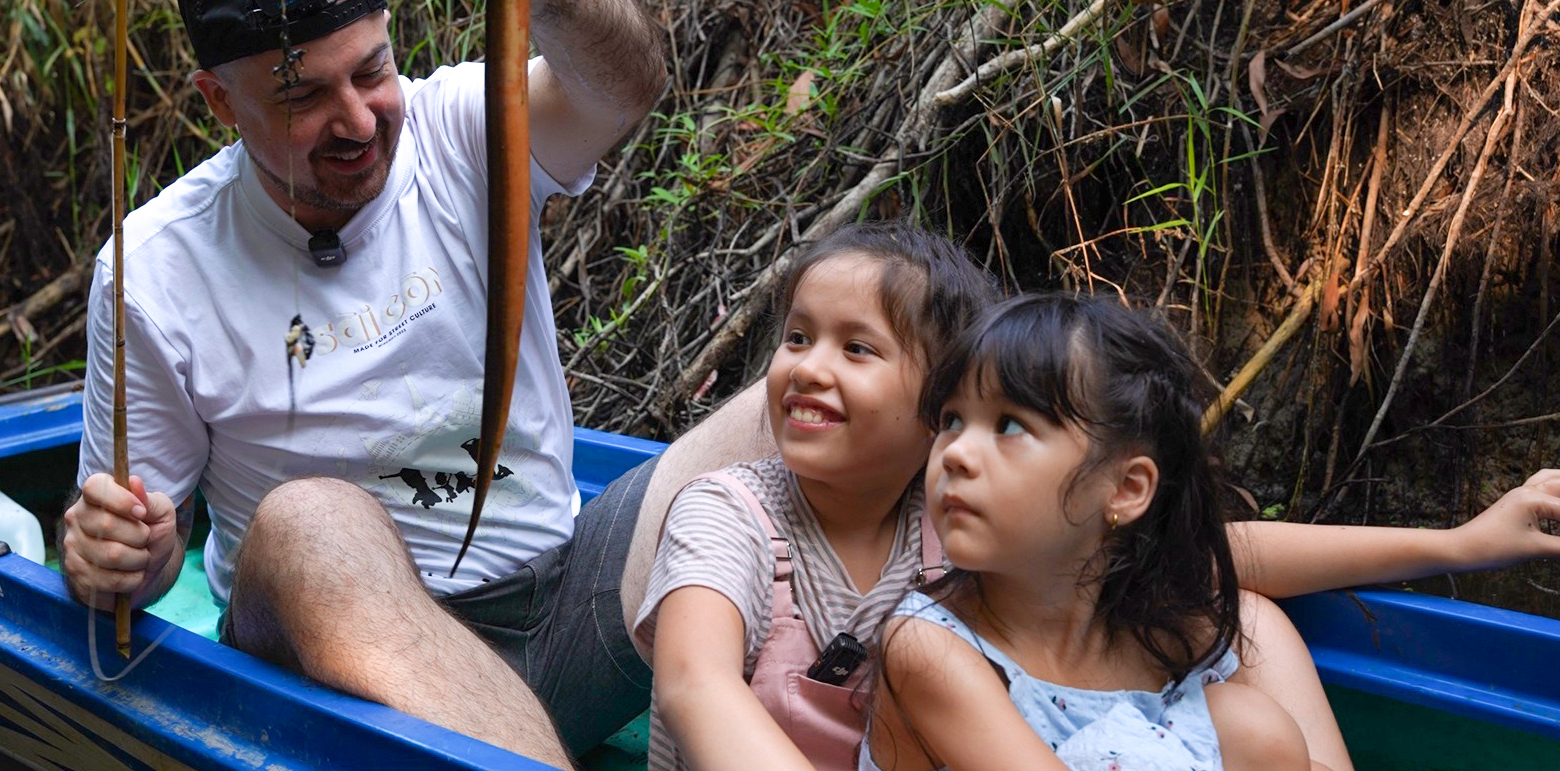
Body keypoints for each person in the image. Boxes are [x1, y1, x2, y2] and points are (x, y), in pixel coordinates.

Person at [59, 0, 681, 767]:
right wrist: (120, 560)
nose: (357, 121)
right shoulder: (155, 268)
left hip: (557, 611)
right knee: (312, 517)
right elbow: (141, 556)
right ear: (220, 102)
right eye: (303, 96)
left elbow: (626, 84)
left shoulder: (464, 127)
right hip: (341, 684)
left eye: (373, 71)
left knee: (798, 404)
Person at [637, 221, 1560, 771]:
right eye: (795, 337)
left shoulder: (959, 530)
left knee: (1253, 627)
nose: (806, 367)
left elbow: (1228, 548)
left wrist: (1457, 545)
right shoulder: (739, 515)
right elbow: (691, 682)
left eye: (857, 348)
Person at [866, 292, 1302, 771]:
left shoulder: (1173, 637)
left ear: (1126, 488)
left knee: (1254, 727)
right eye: (952, 420)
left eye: (1009, 426)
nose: (955, 454)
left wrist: (1404, 548)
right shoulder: (927, 646)